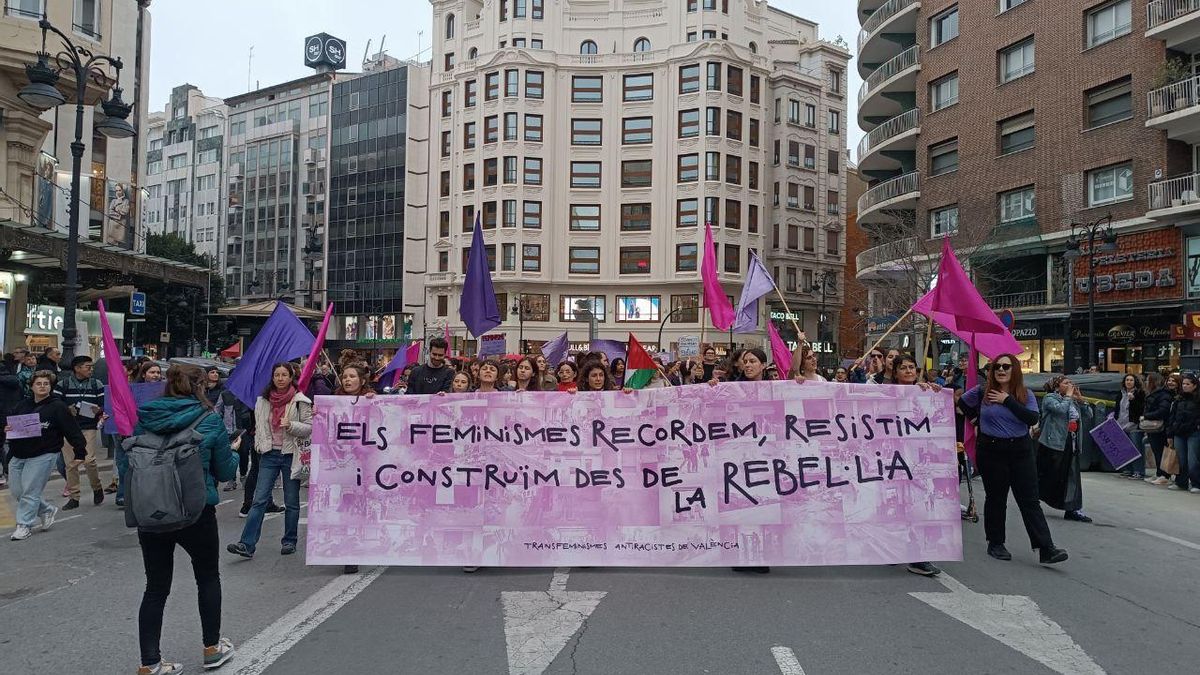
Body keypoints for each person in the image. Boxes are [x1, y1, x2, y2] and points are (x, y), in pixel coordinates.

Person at [133, 365, 238, 674]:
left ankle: (149, 663)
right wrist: (233, 452)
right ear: (200, 387)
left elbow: (130, 464)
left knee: (155, 588)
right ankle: (212, 647)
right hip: (196, 510)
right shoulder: (209, 420)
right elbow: (228, 471)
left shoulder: (146, 418)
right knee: (207, 577)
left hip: (152, 510)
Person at [960, 355, 1068, 565]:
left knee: (1029, 499)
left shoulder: (1024, 393)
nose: (1000, 370)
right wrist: (975, 419)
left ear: (1014, 370)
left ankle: (1046, 548)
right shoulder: (983, 391)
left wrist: (1006, 400)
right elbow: (963, 402)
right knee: (996, 498)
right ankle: (996, 543)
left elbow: (1032, 418)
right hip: (991, 450)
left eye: (1006, 366)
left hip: (1020, 450)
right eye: (996, 367)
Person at [227, 363, 313, 559]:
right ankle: (246, 544)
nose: (280, 378)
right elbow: (259, 426)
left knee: (291, 501)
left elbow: (309, 427)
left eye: (284, 375)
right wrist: (259, 444)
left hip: (290, 454)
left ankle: (289, 541)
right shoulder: (262, 401)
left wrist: (291, 426)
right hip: (268, 454)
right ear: (272, 378)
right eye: (277, 375)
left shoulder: (300, 401)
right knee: (259, 500)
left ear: (291, 377)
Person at [6, 371, 86, 541]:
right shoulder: (22, 406)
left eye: (46, 384)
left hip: (44, 453)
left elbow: (72, 430)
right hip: (19, 454)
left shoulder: (58, 407)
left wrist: (80, 451)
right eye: (39, 384)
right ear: (32, 387)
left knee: (30, 490)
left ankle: (23, 525)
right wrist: (7, 429)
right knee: (18, 491)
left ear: (50, 387)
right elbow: (9, 426)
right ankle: (46, 510)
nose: (42, 387)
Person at [886, 355, 945, 577]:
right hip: (894, 461)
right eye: (904, 368)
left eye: (912, 367)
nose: (909, 371)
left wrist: (932, 395)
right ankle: (902, 550)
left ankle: (918, 556)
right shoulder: (887, 393)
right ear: (896, 372)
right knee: (900, 507)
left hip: (918, 462)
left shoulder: (923, 393)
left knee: (917, 506)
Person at [333, 363, 375, 575]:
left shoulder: (371, 400)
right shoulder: (333, 403)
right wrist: (317, 414)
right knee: (346, 502)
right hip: (342, 462)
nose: (347, 380)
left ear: (362, 380)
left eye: (352, 376)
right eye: (344, 376)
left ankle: (356, 546)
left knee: (360, 504)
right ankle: (347, 550)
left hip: (365, 461)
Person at [56, 355, 107, 510]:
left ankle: (97, 487)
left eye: (91, 366)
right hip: (69, 429)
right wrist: (66, 410)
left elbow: (103, 405)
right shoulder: (62, 384)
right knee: (70, 464)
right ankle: (74, 497)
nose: (91, 369)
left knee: (89, 459)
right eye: (87, 366)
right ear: (77, 368)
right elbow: (56, 405)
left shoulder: (96, 384)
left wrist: (99, 410)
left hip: (88, 426)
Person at [1037, 376, 1091, 523]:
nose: (1070, 385)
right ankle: (1034, 501)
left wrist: (1080, 400)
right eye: (1066, 383)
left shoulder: (1072, 400)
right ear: (1056, 386)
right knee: (1049, 475)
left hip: (1071, 441)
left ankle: (1072, 508)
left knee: (1072, 476)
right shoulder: (1050, 398)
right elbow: (1060, 410)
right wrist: (1068, 396)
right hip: (1053, 443)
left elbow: (1089, 415)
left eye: (1070, 383)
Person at [1166, 373, 1200, 493]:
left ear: (1194, 386)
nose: (1185, 386)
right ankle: (1181, 482)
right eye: (1184, 384)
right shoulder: (1178, 399)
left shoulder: (1197, 399)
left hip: (1193, 432)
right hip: (1178, 432)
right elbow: (1172, 417)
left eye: (1188, 384)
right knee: (1180, 459)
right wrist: (1170, 434)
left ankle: (1196, 483)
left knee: (1193, 459)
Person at [1141, 372, 1173, 486]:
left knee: (1160, 451)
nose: (1145, 382)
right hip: (1153, 427)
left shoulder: (1163, 394)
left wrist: (1147, 416)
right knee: (1156, 451)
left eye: (1148, 380)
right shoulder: (1154, 394)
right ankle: (1159, 473)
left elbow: (1163, 411)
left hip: (1160, 427)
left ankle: (1164, 475)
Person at [1114, 374, 1147, 479]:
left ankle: (1139, 471)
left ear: (1135, 382)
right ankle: (1127, 469)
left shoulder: (1140, 393)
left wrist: (1133, 400)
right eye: (1127, 380)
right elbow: (1117, 408)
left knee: (1136, 449)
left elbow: (1141, 409)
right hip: (1121, 424)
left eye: (1131, 380)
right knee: (1125, 449)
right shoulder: (1120, 393)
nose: (1129, 382)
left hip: (1134, 425)